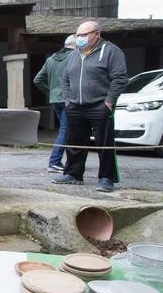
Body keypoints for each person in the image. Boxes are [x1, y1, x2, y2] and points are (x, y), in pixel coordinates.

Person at [55, 20, 128, 192]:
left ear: (97, 34)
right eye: (77, 35)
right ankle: (73, 174)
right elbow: (64, 79)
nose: (79, 38)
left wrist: (109, 101)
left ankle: (106, 178)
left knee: (104, 143)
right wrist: (68, 100)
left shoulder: (110, 51)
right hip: (75, 106)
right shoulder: (73, 54)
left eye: (83, 35)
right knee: (74, 142)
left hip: (100, 105)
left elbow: (120, 78)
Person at [33, 34, 76, 173]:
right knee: (65, 130)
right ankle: (55, 162)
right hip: (69, 99)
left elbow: (37, 79)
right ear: (75, 46)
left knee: (67, 130)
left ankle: (69, 161)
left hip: (55, 100)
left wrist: (50, 91)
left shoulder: (51, 59)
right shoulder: (75, 57)